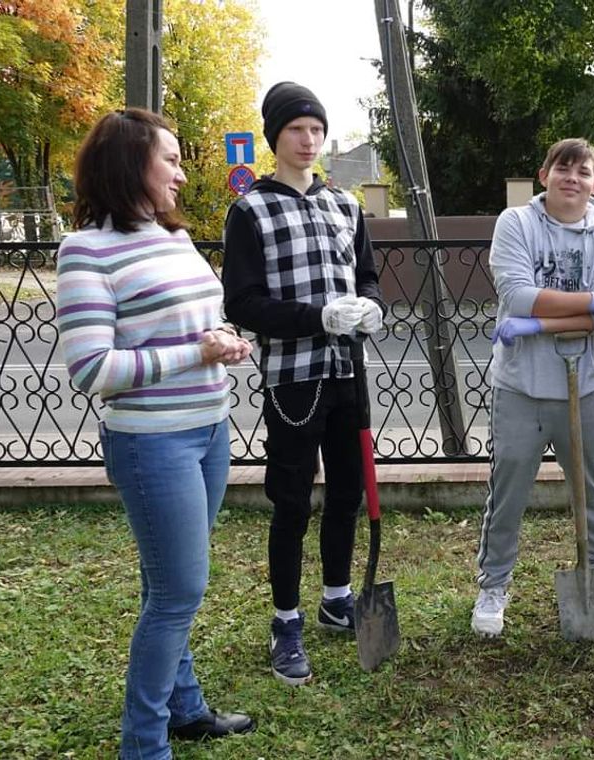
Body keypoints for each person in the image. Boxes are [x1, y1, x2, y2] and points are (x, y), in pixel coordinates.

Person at [56, 108, 255, 759]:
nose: (179, 171)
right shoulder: (85, 250)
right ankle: (142, 745)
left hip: (208, 432)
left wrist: (223, 342)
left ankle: (186, 708)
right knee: (179, 592)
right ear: (128, 164)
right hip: (151, 443)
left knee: (167, 584)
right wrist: (194, 354)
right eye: (168, 159)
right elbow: (92, 368)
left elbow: (197, 323)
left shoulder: (175, 238)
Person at [222, 82, 384, 685]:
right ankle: (285, 620)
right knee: (291, 501)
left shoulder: (344, 204)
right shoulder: (251, 209)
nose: (309, 139)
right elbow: (243, 301)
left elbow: (366, 275)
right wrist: (315, 318)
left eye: (316, 128)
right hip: (292, 378)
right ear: (275, 138)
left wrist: (367, 306)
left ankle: (336, 595)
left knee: (345, 491)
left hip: (347, 371)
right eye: (297, 129)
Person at [472, 137, 594, 638]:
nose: (573, 178)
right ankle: (494, 584)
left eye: (584, 171)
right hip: (521, 387)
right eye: (563, 168)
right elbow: (518, 295)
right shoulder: (517, 224)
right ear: (545, 173)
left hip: (584, 385)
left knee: (592, 489)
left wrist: (543, 321)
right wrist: (589, 303)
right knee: (508, 490)